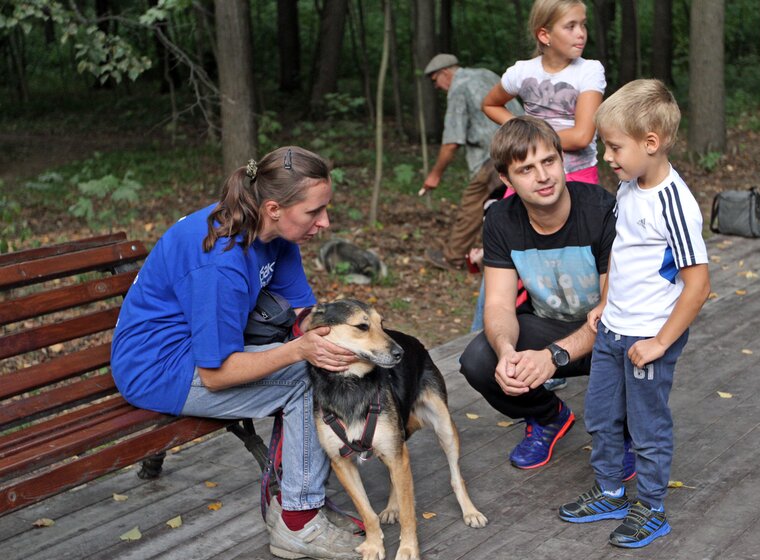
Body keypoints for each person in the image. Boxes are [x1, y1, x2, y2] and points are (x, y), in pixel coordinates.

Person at [110, 146, 362, 560]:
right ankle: (298, 524)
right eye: (315, 212)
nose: (325, 222)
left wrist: (351, 342)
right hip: (158, 369)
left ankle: (301, 494)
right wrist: (300, 351)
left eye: (326, 209)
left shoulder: (272, 231)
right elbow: (216, 374)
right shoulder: (220, 262)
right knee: (304, 379)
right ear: (275, 207)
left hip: (203, 347)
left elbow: (304, 314)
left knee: (325, 366)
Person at [557, 79, 710, 549]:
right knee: (602, 416)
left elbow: (699, 284)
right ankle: (609, 492)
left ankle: (651, 507)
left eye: (614, 146)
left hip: (648, 338)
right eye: (605, 145)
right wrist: (605, 303)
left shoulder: (673, 203)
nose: (607, 156)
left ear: (651, 143)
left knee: (646, 427)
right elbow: (626, 256)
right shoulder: (630, 185)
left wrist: (660, 342)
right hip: (614, 328)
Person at [458, 116, 636, 474]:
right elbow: (497, 304)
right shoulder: (501, 221)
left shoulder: (602, 210)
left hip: (611, 331)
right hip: (549, 327)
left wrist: (553, 357)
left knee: (634, 346)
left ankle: (625, 433)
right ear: (506, 180)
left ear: (562, 160)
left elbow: (613, 308)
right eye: (526, 169)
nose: (543, 176)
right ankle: (548, 416)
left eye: (549, 161)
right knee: (480, 359)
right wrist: (508, 352)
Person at [482, 0, 605, 186]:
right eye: (570, 26)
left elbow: (582, 136)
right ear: (544, 35)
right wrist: (520, 130)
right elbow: (490, 104)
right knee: (507, 213)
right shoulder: (521, 72)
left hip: (578, 175)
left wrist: (531, 139)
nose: (581, 33)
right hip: (530, 175)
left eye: (583, 24)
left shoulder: (589, 70)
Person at [421, 53, 523, 271]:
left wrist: (435, 174)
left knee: (472, 206)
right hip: (522, 146)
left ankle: (453, 258)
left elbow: (451, 142)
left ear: (444, 73)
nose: (437, 87)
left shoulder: (459, 88)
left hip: (492, 157)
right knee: (518, 205)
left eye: (434, 81)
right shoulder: (485, 74)